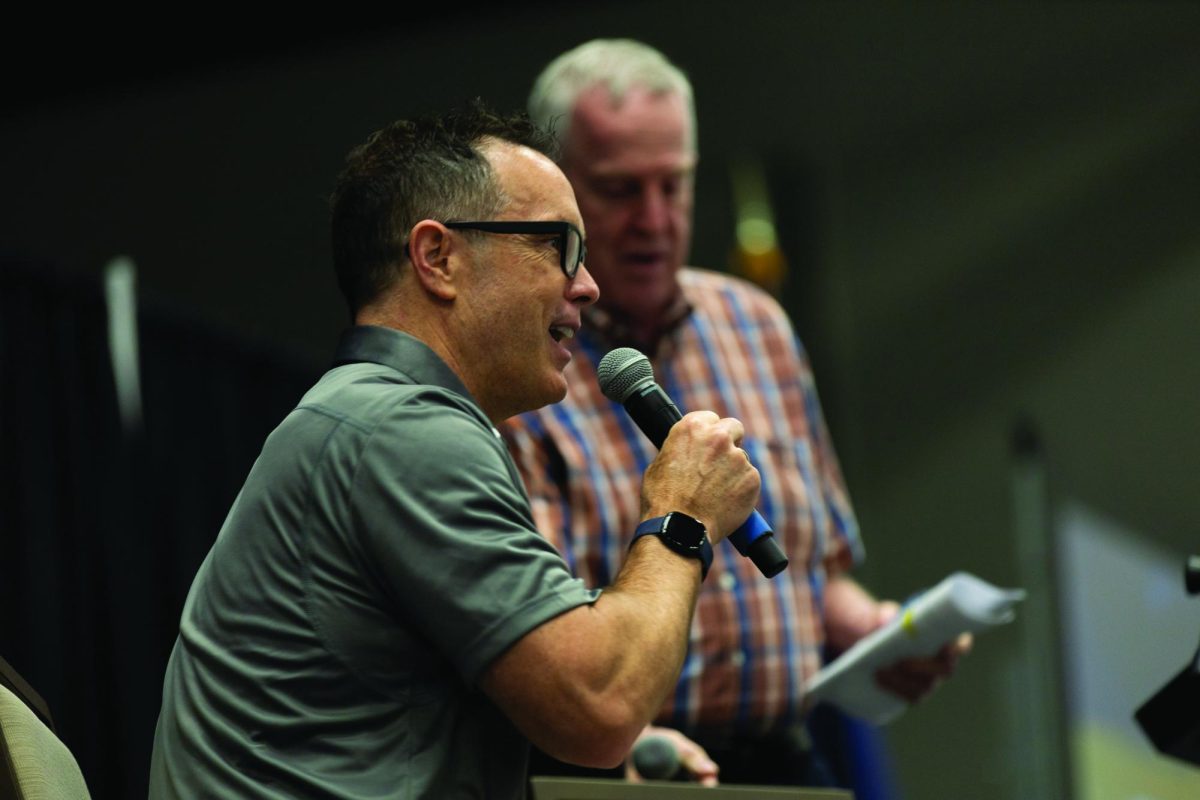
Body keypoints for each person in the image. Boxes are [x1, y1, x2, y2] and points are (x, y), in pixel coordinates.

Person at [148, 103, 762, 799]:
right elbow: (601, 708)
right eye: (559, 245)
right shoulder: (402, 429)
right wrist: (681, 516)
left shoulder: (374, 416)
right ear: (438, 258)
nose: (587, 285)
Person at [504, 40, 968, 788]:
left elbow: (816, 579)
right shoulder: (524, 363)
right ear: (559, 190)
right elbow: (536, 628)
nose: (654, 219)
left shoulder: (757, 326)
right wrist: (634, 743)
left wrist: (881, 637)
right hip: (629, 772)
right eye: (623, 191)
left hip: (789, 759)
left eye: (674, 186)